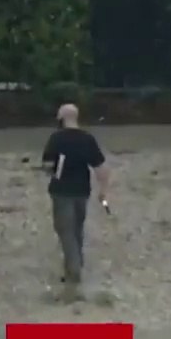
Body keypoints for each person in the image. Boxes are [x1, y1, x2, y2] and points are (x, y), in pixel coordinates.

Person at [42, 103, 110, 302]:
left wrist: (51, 170)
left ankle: (73, 270)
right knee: (77, 227)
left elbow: (47, 166)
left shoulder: (56, 139)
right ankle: (75, 263)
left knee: (65, 230)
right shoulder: (87, 139)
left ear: (61, 118)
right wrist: (103, 191)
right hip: (82, 190)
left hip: (61, 191)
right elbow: (101, 167)